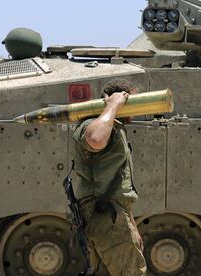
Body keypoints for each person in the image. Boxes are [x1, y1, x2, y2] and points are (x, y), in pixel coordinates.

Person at [72, 79, 147, 275]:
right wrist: (113, 106)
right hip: (105, 215)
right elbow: (95, 139)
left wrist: (133, 227)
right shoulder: (93, 124)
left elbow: (120, 185)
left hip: (114, 214)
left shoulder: (114, 127)